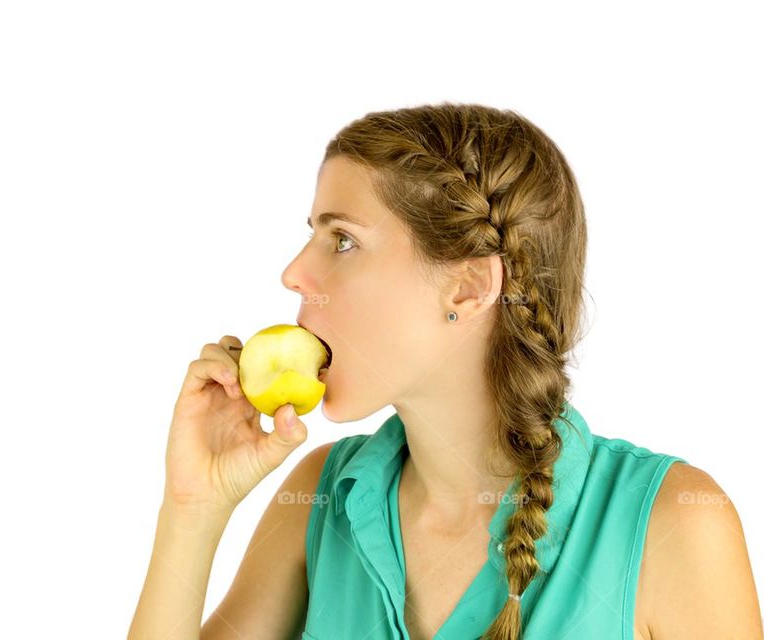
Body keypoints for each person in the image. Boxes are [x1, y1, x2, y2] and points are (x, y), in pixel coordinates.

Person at [128, 103, 762, 639]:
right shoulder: (322, 497)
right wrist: (193, 508)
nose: (294, 272)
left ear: (466, 287)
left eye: (341, 238)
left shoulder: (676, 524)